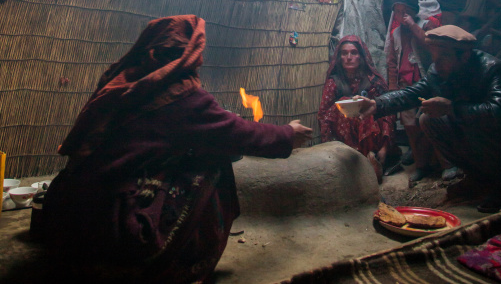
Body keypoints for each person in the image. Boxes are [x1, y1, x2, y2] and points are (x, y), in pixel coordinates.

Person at [43, 15, 312, 284]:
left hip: (66, 217)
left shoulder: (122, 82)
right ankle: (186, 262)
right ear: (192, 52)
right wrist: (288, 134)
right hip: (113, 229)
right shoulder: (180, 95)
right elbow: (240, 134)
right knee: (212, 161)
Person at [357, 25, 501, 213]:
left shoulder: (492, 69)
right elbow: (412, 94)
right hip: (467, 129)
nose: (436, 64)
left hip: (497, 137)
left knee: (476, 127)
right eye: (434, 57)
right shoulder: (437, 71)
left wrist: (452, 109)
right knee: (429, 120)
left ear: (465, 56)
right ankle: (476, 179)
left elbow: (499, 112)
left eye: (444, 57)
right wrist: (377, 104)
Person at [385, 0, 456, 183]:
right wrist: (393, 88)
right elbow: (392, 62)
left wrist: (413, 26)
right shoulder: (395, 33)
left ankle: (447, 164)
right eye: (398, 12)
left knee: (431, 121)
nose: (401, 16)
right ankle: (421, 165)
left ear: (414, 10)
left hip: (426, 82)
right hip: (405, 85)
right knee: (410, 128)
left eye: (405, 11)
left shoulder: (428, 24)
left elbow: (430, 45)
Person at [318, 35, 395, 182]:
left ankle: (372, 159)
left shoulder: (374, 81)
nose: (349, 57)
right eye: (344, 53)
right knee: (341, 104)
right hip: (345, 146)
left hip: (375, 142)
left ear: (361, 56)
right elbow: (323, 116)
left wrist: (384, 148)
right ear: (339, 58)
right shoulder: (334, 82)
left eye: (354, 53)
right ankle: (354, 159)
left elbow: (389, 113)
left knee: (374, 106)